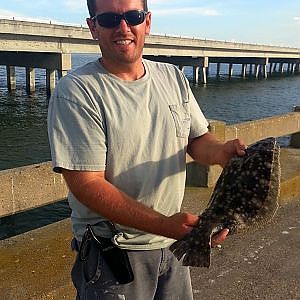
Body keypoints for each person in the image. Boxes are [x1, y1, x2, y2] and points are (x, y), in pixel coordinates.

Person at [47, 0, 246, 298]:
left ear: (147, 22)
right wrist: (165, 225)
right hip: (114, 254)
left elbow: (196, 139)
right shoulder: (77, 91)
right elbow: (87, 184)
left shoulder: (172, 77)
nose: (123, 27)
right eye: (110, 19)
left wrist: (220, 152)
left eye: (133, 16)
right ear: (93, 27)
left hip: (174, 246)